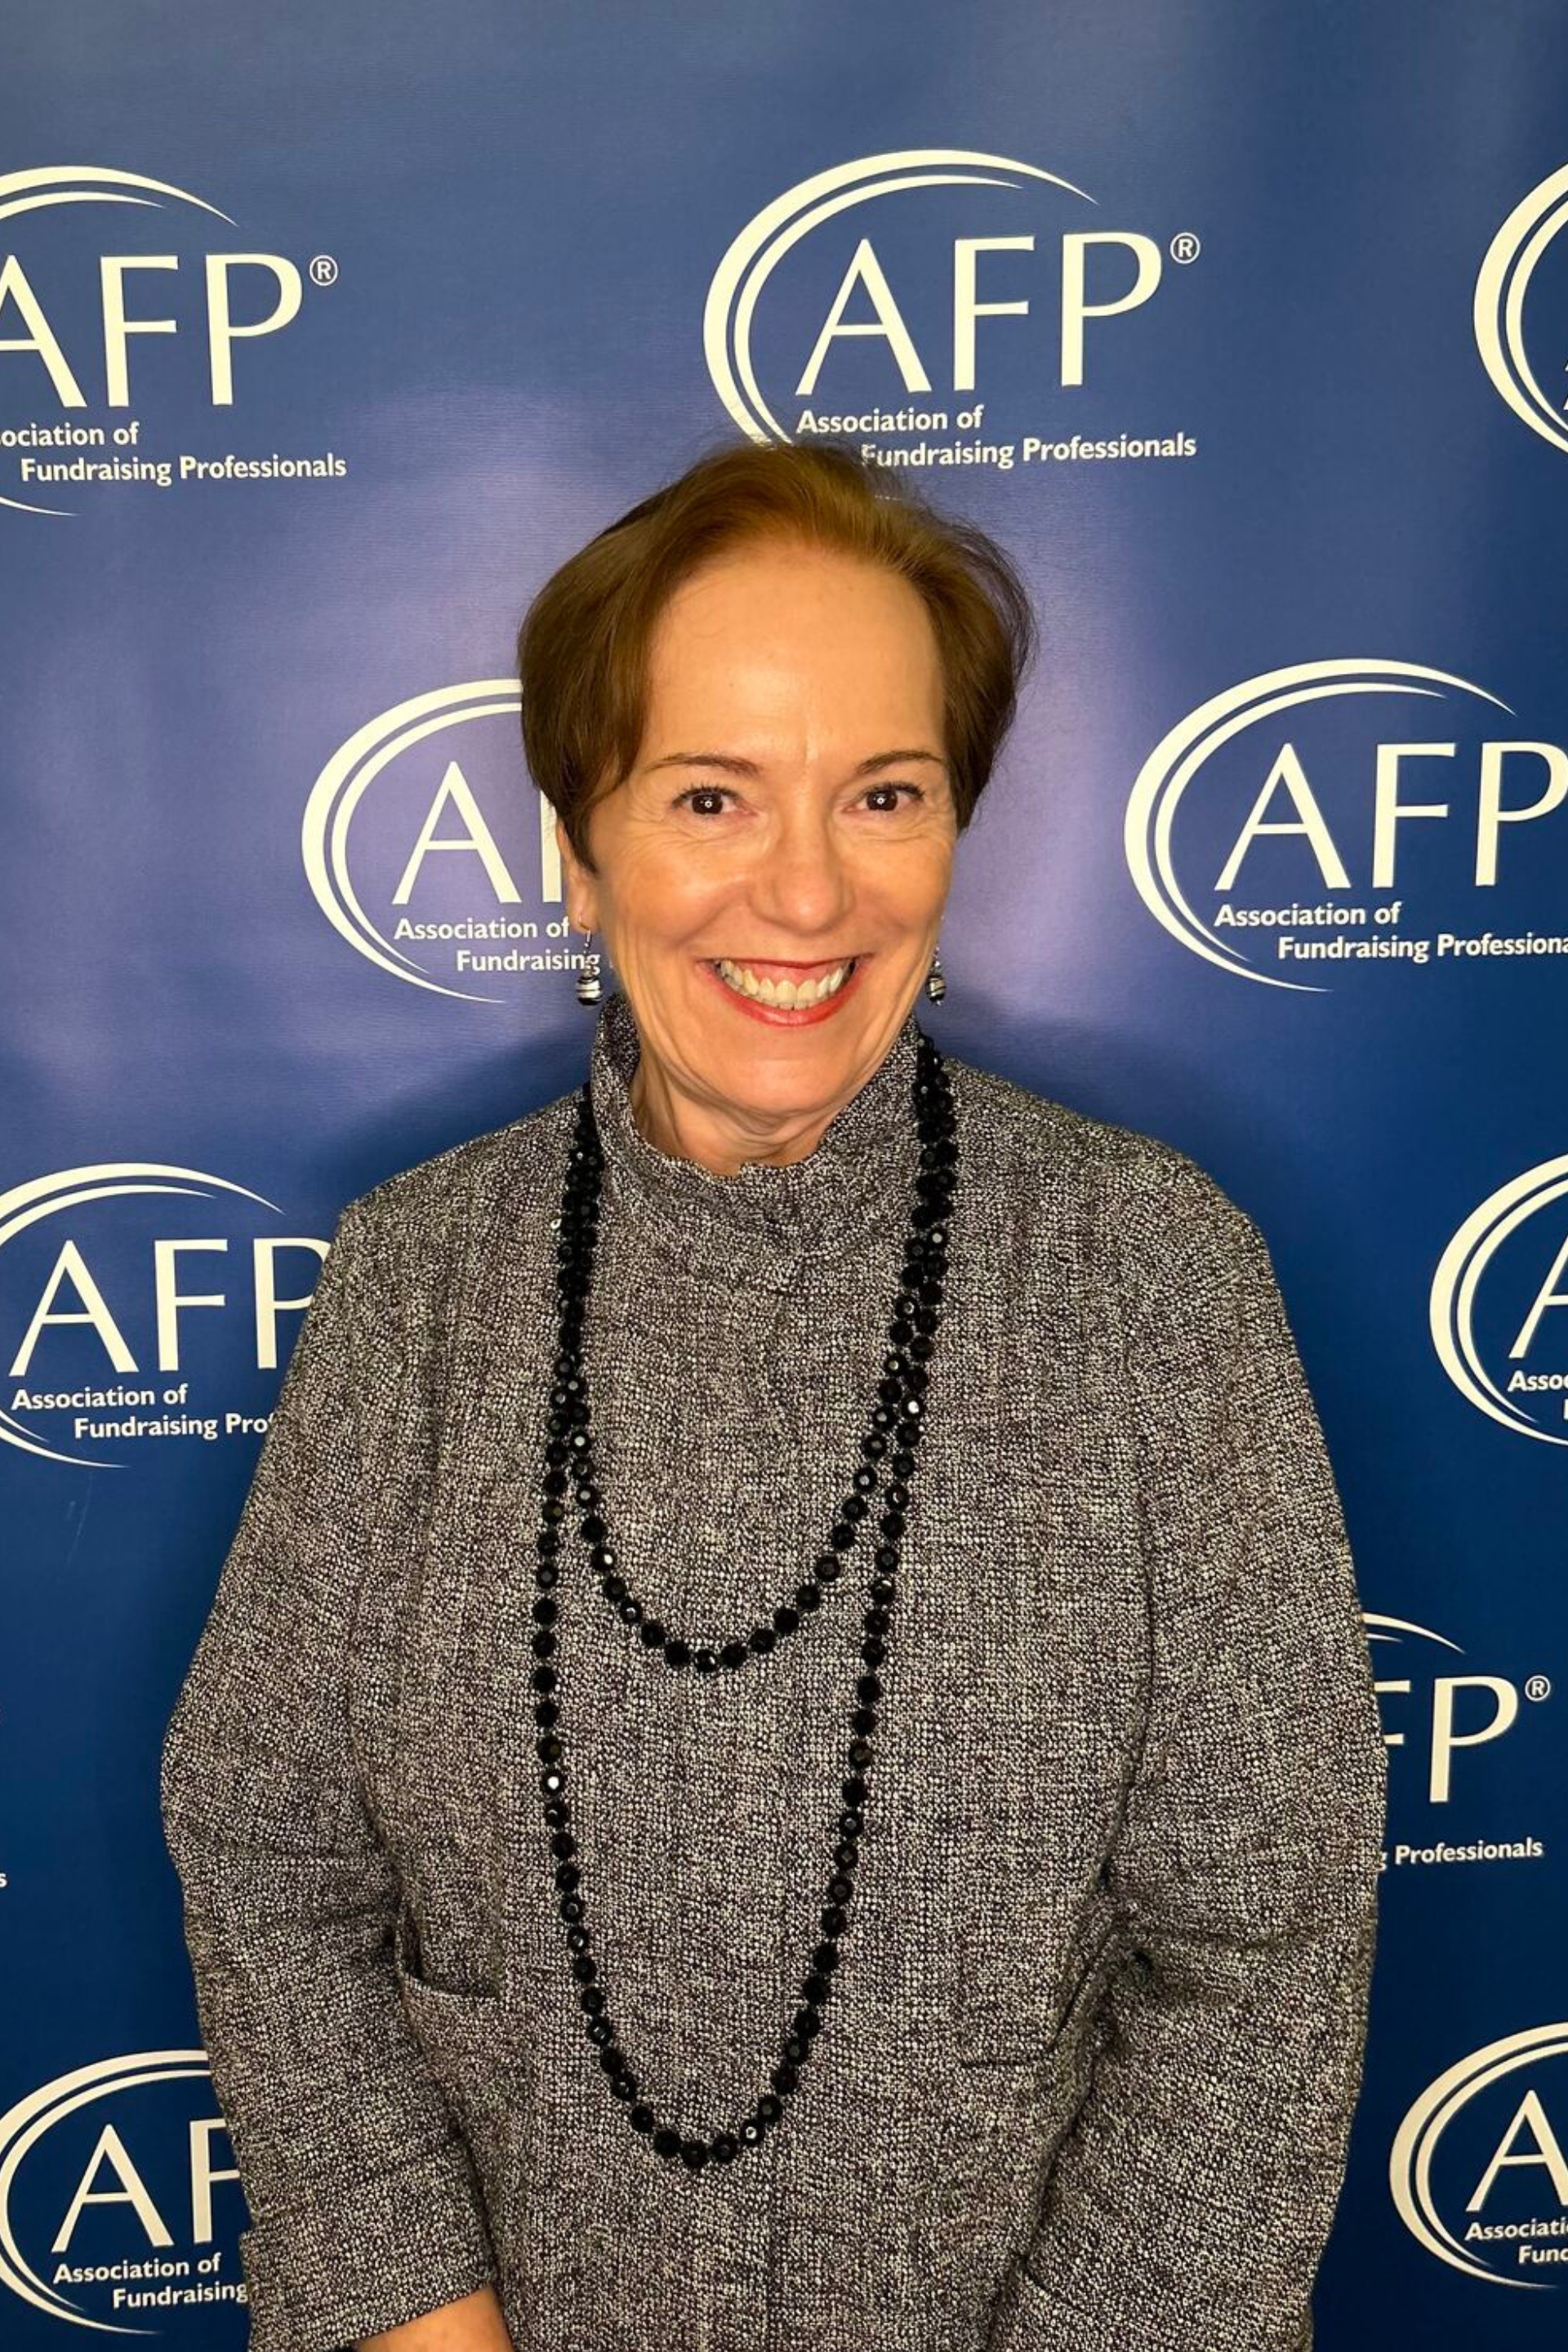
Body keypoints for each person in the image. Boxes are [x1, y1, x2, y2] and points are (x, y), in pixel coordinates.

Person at [158, 437, 1387, 2352]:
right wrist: (416, 2313)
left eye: (882, 794)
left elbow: (1262, 1957)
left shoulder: (1155, 1277)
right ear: (580, 849)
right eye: (712, 794)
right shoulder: (414, 1283)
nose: (805, 892)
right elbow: (266, 1843)